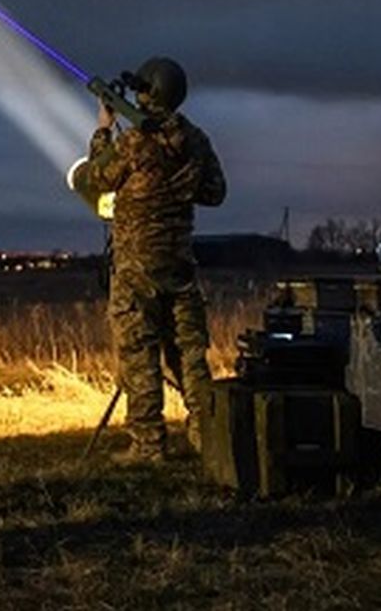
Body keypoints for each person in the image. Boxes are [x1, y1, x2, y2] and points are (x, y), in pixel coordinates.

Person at [81, 57, 226, 461]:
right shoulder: (194, 139)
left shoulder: (132, 142)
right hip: (179, 263)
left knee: (139, 353)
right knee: (190, 354)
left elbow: (95, 179)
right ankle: (206, 435)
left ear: (148, 92)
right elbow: (215, 192)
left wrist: (102, 130)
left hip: (136, 265)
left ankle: (148, 443)